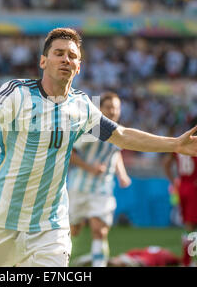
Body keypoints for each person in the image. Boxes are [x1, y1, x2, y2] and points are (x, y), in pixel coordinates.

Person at [0, 28, 197, 267]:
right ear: (43, 61)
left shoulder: (82, 107)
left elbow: (123, 135)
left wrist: (175, 144)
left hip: (51, 226)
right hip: (0, 220)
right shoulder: (16, 93)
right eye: (59, 53)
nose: (66, 59)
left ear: (79, 67)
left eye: (72, 56)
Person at [67, 92, 131, 267]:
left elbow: (115, 153)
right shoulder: (91, 129)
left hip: (103, 188)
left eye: (116, 108)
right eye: (109, 107)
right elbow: (69, 153)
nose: (113, 111)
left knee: (99, 230)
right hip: (79, 187)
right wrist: (90, 168)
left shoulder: (118, 131)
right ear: (100, 109)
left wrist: (122, 174)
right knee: (73, 231)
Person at [163, 123, 197, 266]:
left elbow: (166, 163)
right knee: (192, 226)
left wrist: (173, 181)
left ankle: (190, 259)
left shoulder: (181, 144)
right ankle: (187, 262)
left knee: (190, 225)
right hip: (195, 187)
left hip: (182, 186)